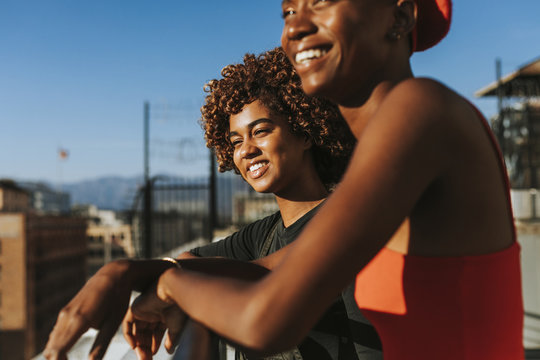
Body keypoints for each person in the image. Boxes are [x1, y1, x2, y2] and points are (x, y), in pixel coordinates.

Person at [126, 0, 524, 359]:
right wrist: (127, 273)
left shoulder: (420, 109)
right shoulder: (392, 153)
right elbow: (265, 269)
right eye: (287, 11)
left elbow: (265, 321)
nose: (294, 28)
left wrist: (168, 288)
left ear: (400, 15)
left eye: (320, 2)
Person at [43, 48, 383, 360]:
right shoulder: (263, 235)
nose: (245, 150)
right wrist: (125, 272)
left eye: (261, 130)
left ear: (305, 131)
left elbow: (269, 273)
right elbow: (193, 260)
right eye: (235, 141)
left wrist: (134, 274)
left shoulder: (348, 217)